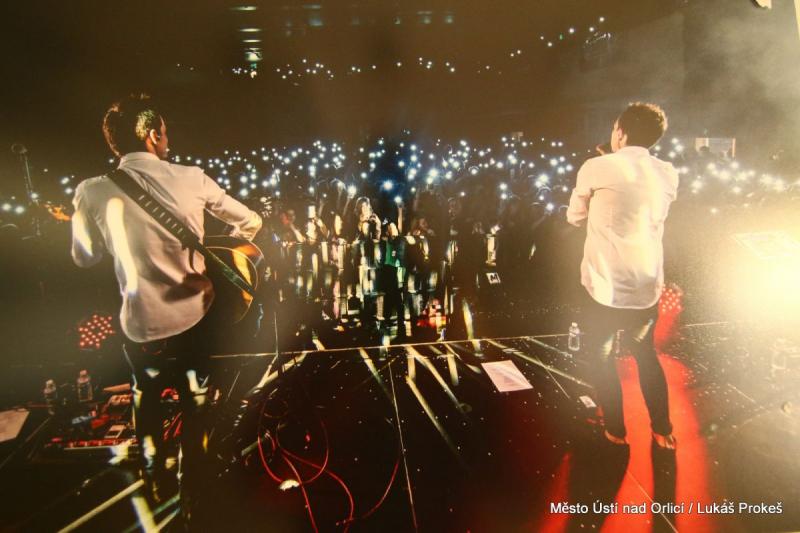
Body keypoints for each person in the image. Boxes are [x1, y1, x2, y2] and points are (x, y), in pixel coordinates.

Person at [70, 94, 263, 515]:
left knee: (146, 395)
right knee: (197, 400)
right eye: (165, 133)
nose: (167, 139)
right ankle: (193, 485)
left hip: (141, 323)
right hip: (196, 316)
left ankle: (153, 474)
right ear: (154, 135)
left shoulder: (91, 191)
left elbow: (84, 257)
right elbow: (250, 221)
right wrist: (220, 244)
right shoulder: (192, 178)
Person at [566, 102, 679, 449]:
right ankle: (663, 430)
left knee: (600, 357)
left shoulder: (595, 167)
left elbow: (574, 216)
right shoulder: (668, 173)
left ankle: (616, 429)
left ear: (620, 131)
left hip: (604, 284)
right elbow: (636, 193)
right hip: (645, 285)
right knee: (645, 355)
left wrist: (604, 167)